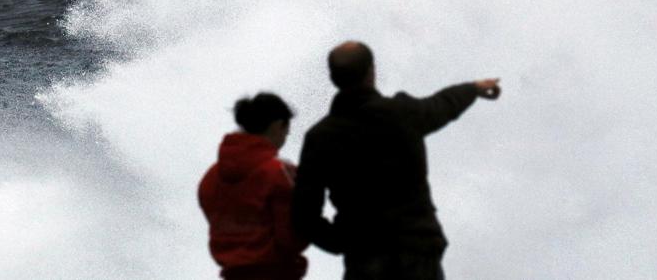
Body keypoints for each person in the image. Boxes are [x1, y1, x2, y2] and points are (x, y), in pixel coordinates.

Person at [292, 40, 501, 280]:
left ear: (333, 78)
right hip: (418, 254)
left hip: (363, 258)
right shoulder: (402, 113)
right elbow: (441, 106)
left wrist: (342, 241)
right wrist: (473, 88)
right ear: (372, 71)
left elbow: (304, 215)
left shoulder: (320, 138)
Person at [199, 92, 309, 280]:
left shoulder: (210, 178)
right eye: (286, 132)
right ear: (277, 125)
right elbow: (291, 237)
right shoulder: (279, 173)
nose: (284, 139)